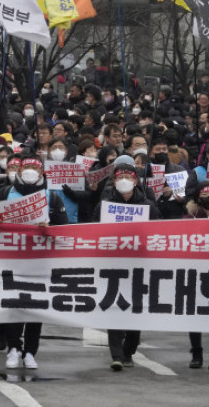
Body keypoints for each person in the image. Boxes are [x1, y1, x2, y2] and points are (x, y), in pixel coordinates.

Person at [0, 154, 67, 369]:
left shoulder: (52, 197)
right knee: (14, 306)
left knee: (35, 308)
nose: (30, 170)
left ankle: (31, 351)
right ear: (19, 171)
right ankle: (14, 348)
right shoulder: (5, 193)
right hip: (11, 260)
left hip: (40, 261)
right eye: (26, 166)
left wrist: (48, 228)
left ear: (41, 172)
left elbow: (64, 230)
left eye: (35, 167)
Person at [91, 158, 160, 370]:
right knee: (114, 305)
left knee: (135, 308)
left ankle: (130, 348)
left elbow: (160, 234)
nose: (123, 181)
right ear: (114, 180)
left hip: (140, 266)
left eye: (127, 177)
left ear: (136, 181)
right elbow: (93, 231)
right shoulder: (104, 206)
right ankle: (117, 354)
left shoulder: (148, 207)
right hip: (112, 265)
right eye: (119, 177)